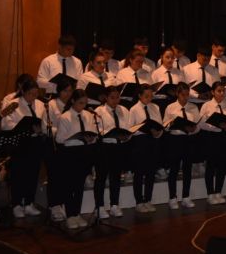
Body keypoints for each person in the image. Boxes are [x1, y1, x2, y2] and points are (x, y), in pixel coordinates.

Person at [0, 80, 48, 218]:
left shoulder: (40, 104)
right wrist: (24, 128)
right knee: (19, 174)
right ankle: (16, 204)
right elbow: (6, 124)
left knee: (33, 173)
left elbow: (45, 122)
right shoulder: (14, 104)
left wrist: (41, 129)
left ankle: (28, 202)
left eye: (35, 94)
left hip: (36, 142)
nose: (33, 97)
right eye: (30, 94)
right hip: (19, 142)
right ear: (23, 92)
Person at [54, 89, 99, 229]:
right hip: (70, 153)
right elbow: (59, 139)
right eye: (80, 103)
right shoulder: (65, 117)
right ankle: (70, 215)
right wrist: (77, 138)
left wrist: (91, 138)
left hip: (84, 153)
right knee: (69, 185)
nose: (83, 106)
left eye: (85, 103)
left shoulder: (88, 115)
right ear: (73, 101)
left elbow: (94, 133)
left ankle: (77, 213)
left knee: (79, 186)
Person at [95, 86, 132, 218]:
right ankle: (99, 207)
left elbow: (128, 127)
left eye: (117, 97)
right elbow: (98, 130)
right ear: (106, 98)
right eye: (112, 98)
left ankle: (114, 205)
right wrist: (111, 134)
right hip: (105, 147)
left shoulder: (124, 110)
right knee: (101, 177)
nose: (116, 100)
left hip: (119, 147)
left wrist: (127, 136)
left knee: (116, 177)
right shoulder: (99, 111)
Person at [162, 82, 200, 209]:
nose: (185, 97)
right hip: (175, 140)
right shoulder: (170, 108)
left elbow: (198, 126)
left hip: (188, 140)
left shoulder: (193, 107)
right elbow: (165, 126)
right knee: (174, 169)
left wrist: (193, 129)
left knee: (187, 169)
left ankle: (186, 197)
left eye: (187, 94)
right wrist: (172, 124)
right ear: (177, 94)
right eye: (183, 94)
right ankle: (172, 198)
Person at [198, 81, 226, 204]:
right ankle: (210, 193)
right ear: (212, 92)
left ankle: (218, 192)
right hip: (211, 137)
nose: (221, 93)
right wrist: (216, 126)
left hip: (224, 137)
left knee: (222, 165)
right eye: (219, 91)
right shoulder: (207, 106)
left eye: (223, 91)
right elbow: (201, 124)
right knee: (211, 166)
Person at [128, 85, 163, 213]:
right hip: (140, 142)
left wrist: (158, 133)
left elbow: (160, 124)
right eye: (146, 96)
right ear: (140, 96)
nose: (149, 98)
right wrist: (143, 129)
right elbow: (130, 128)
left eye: (151, 96)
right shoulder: (134, 109)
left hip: (153, 141)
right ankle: (139, 201)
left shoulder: (155, 107)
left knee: (150, 172)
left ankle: (148, 199)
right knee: (139, 173)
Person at [45, 79, 75, 221]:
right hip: (54, 144)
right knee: (54, 175)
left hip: (68, 144)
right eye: (65, 91)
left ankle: (63, 203)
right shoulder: (51, 104)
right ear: (58, 91)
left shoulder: (73, 105)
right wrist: (62, 131)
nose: (67, 94)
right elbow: (46, 126)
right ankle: (54, 205)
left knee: (66, 176)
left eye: (70, 91)